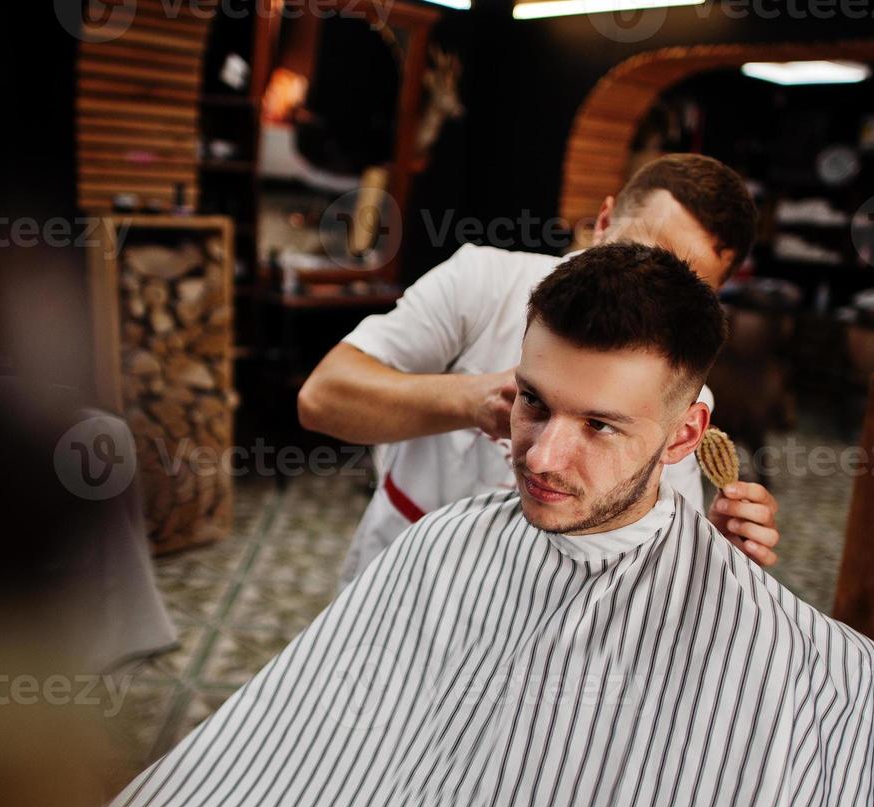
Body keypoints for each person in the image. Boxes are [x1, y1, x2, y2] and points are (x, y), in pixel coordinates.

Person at [78, 243, 874, 807]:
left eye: (599, 425)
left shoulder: (811, 670)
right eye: (532, 402)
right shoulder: (445, 545)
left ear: (685, 437)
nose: (538, 456)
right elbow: (292, 759)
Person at [298, 153, 782, 589]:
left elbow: (649, 553)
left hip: (541, 608)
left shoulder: (681, 395)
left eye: (686, 287)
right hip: (404, 569)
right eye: (641, 253)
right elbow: (322, 400)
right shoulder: (482, 282)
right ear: (605, 221)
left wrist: (708, 549)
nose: (652, 294)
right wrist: (470, 401)